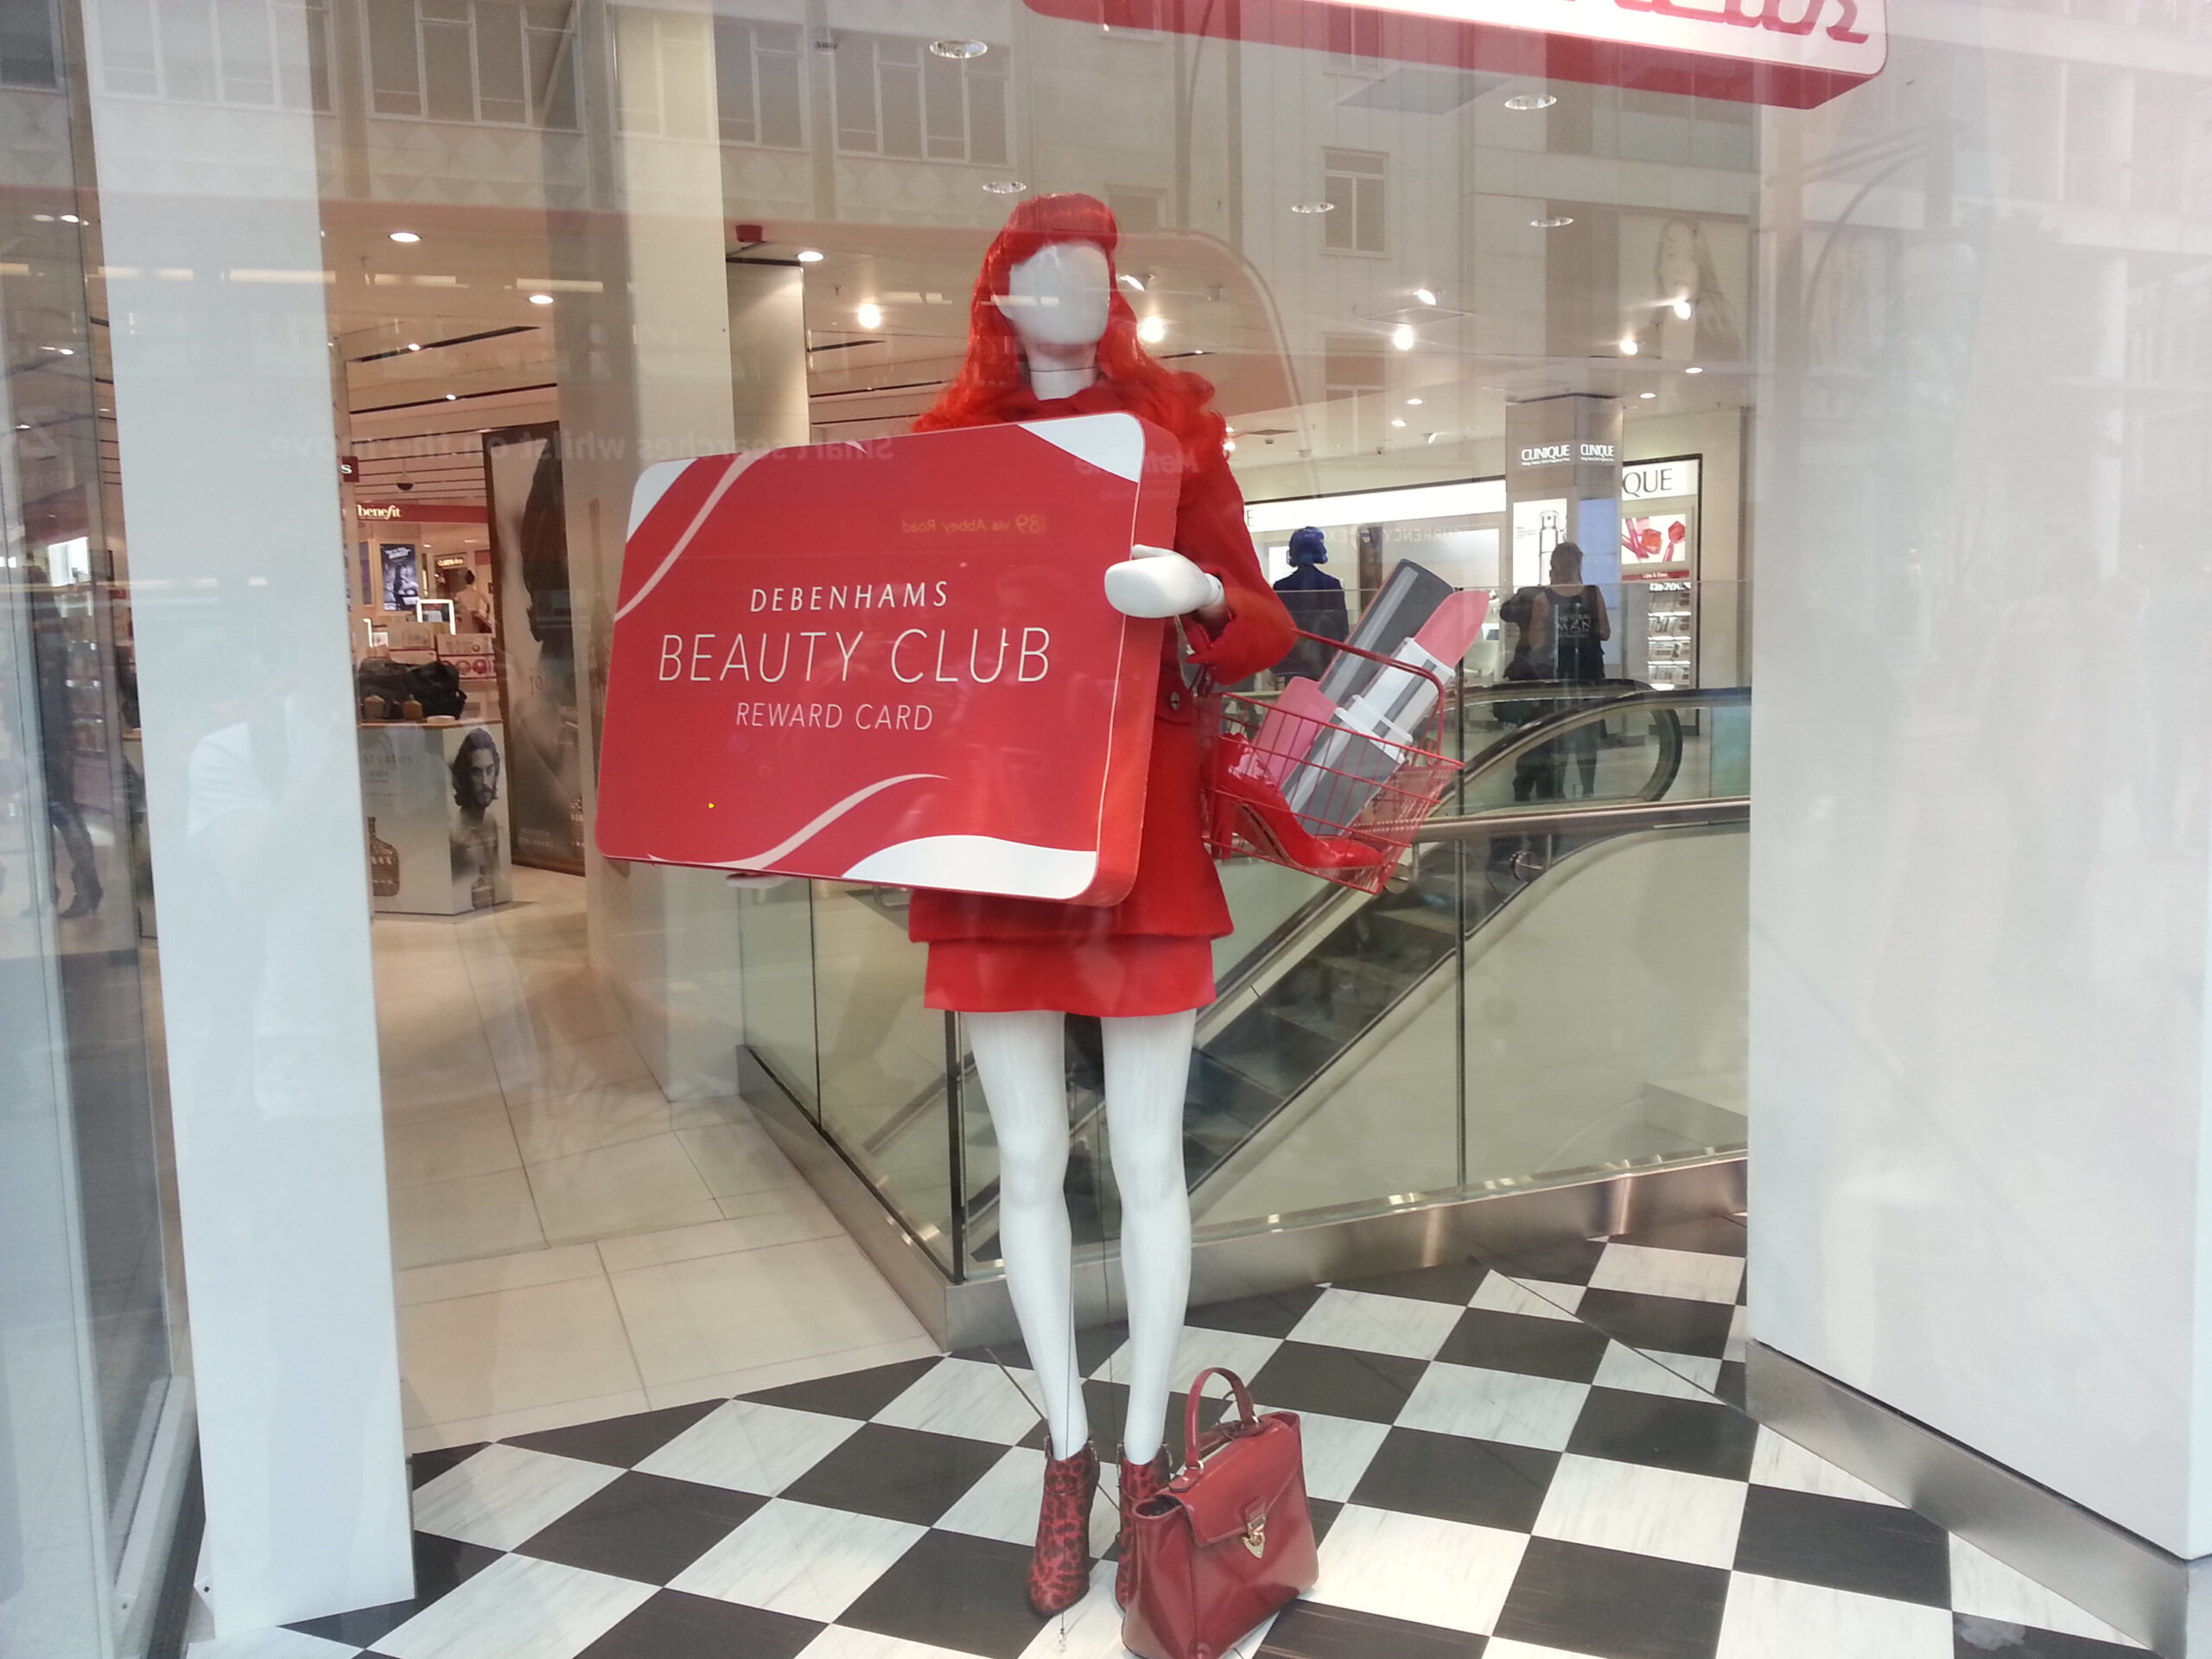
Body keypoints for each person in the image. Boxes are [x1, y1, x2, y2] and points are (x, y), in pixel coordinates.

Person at [906, 193, 1295, 1616]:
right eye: (1048, 275)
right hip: (995, 827)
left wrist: (1198, 589)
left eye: (1098, 274)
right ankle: (1067, 1456)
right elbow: (897, 637)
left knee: (1146, 1161)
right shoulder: (946, 454)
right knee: (1023, 1159)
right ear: (1002, 302)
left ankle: (1142, 1459)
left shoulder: (1173, 437)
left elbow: (1264, 621)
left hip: (1139, 821)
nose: (1080, 294)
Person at [1269, 525, 1349, 682]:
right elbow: (1342, 629)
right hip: (1325, 660)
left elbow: (1278, 628)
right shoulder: (1331, 584)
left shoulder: (1282, 586)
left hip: (1294, 661)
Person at [449, 567, 493, 634]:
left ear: (465, 581)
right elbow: (488, 604)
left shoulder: (460, 594)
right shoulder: (478, 593)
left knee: (466, 633)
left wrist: (458, 613)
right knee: (476, 632)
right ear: (473, 581)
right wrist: (487, 616)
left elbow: (454, 604)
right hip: (475, 616)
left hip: (464, 617)